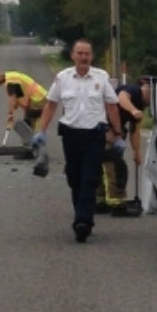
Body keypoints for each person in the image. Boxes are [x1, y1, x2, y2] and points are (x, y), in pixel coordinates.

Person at [32, 38, 125, 243]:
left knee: (90, 178)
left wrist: (117, 135)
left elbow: (112, 105)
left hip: (94, 135)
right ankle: (82, 215)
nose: (84, 57)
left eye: (87, 53)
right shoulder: (63, 78)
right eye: (80, 53)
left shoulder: (101, 77)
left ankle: (83, 221)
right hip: (71, 134)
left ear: (91, 56)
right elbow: (50, 104)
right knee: (75, 178)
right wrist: (42, 131)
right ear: (73, 55)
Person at [97, 78, 150, 216]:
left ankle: (100, 202)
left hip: (112, 133)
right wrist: (133, 111)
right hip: (104, 129)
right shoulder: (134, 91)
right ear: (146, 89)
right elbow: (121, 98)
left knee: (103, 167)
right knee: (115, 167)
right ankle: (117, 204)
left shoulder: (140, 104)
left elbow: (135, 130)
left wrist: (137, 153)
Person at [0, 69, 47, 133]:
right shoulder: (10, 77)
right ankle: (32, 135)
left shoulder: (10, 82)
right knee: (29, 120)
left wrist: (10, 114)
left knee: (29, 119)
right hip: (39, 95)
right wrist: (14, 108)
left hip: (37, 97)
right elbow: (16, 98)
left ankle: (33, 136)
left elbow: (12, 98)